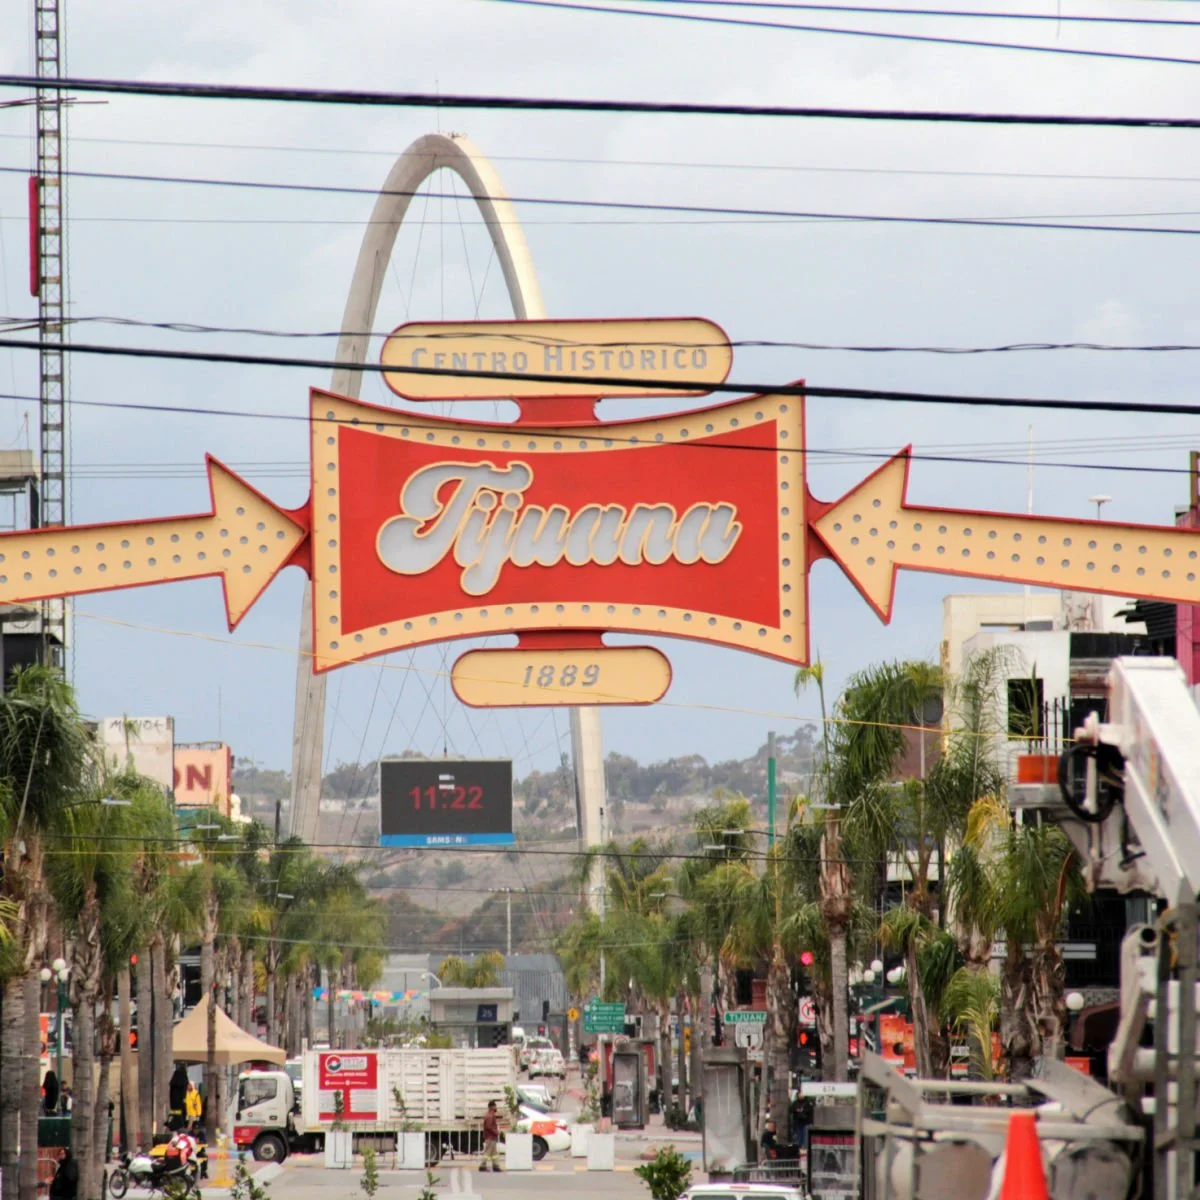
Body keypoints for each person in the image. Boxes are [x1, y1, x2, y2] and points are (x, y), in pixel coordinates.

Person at [480, 1100, 502, 1173]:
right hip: (490, 1137)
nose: (496, 1107)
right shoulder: (490, 1115)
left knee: (494, 1153)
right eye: (495, 1106)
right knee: (487, 1152)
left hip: (492, 1137)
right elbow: (489, 1126)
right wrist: (496, 1132)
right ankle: (482, 1166)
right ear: (491, 1107)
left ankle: (496, 1166)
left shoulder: (491, 1115)